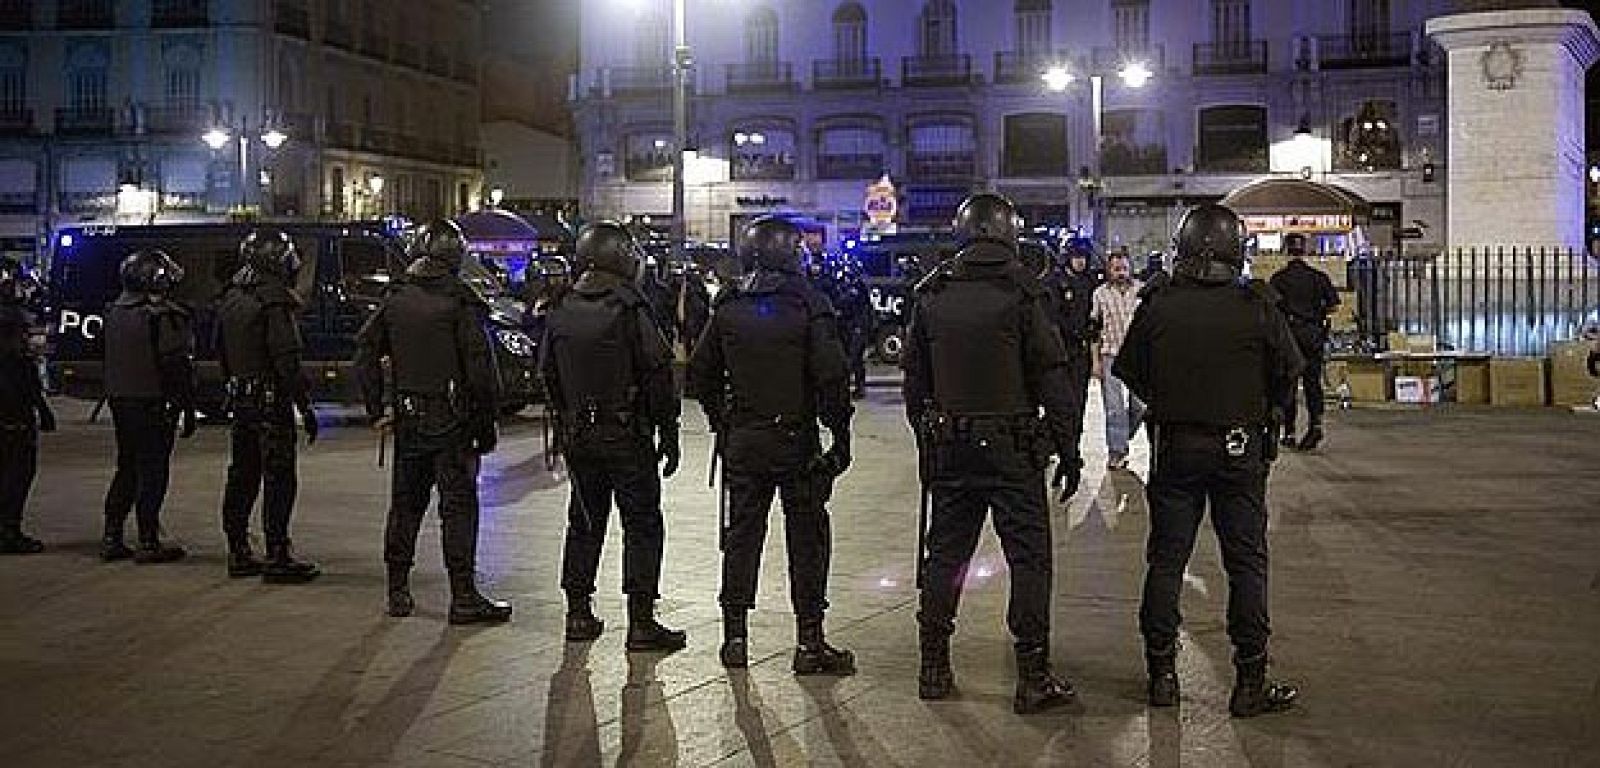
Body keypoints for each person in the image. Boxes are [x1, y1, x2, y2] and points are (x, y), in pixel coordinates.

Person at [1112, 202, 1304, 718]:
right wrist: (1264, 409)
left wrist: (1171, 400)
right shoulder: (1256, 304)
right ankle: (1249, 681)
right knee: (1245, 564)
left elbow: (1129, 369)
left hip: (1176, 447)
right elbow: (1289, 372)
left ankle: (1161, 675)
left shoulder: (1159, 303)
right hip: (1239, 451)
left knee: (1167, 561)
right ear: (1237, 250)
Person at [902, 193, 1081, 715]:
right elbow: (1052, 377)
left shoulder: (931, 293)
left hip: (952, 447)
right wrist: (1067, 450)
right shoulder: (1025, 292)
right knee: (1029, 562)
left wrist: (926, 438)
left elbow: (917, 380)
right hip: (1012, 449)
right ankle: (1032, 677)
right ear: (1008, 233)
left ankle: (933, 666)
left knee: (945, 558)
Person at [688, 215, 856, 676]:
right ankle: (809, 642)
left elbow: (700, 374)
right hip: (795, 441)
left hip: (744, 439)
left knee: (741, 538)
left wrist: (722, 419)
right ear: (787, 253)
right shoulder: (809, 304)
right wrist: (839, 436)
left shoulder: (729, 304)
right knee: (807, 539)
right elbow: (831, 376)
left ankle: (735, 637)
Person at [356, 220, 512, 625]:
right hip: (452, 422)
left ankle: (397, 590)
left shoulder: (395, 299)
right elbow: (479, 369)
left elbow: (365, 353)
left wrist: (377, 409)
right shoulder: (459, 302)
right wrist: (485, 422)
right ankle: (463, 596)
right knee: (457, 508)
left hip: (408, 419)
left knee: (405, 506)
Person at [540, 221, 686, 652]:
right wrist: (668, 428)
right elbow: (657, 372)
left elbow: (546, 370)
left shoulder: (560, 306)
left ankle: (578, 612)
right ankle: (641, 622)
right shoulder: (630, 307)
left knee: (584, 521)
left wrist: (566, 418)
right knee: (641, 523)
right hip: (625, 435)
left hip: (579, 434)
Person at [214, 230, 321, 583]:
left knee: (242, 475)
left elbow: (221, 351)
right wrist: (304, 405)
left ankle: (238, 550)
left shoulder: (231, 298)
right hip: (270, 401)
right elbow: (286, 359)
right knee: (278, 478)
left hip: (242, 398)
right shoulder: (275, 301)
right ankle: (277, 553)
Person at [101, 249, 196, 564]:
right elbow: (175, 364)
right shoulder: (163, 315)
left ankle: (112, 535)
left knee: (126, 467)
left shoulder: (114, 312)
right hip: (153, 402)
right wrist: (184, 403)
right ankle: (148, 539)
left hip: (121, 400)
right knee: (153, 471)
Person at [0, 259, 54, 554]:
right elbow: (23, 371)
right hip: (12, 409)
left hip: (11, 405)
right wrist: (41, 409)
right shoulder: (12, 320)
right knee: (17, 471)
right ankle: (9, 530)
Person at [1269, 233, 1340, 451]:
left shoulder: (1279, 278)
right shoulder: (1319, 277)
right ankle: (1316, 425)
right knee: (1312, 383)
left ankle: (1288, 431)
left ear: (1285, 250)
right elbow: (1334, 305)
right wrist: (1316, 314)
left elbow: (1271, 308)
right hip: (1313, 335)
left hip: (1290, 336)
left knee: (1287, 384)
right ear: (1305, 250)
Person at [1043, 241, 1102, 473]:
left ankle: (1072, 449)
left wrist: (1092, 329)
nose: (1081, 262)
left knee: (1077, 405)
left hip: (1080, 353)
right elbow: (1051, 318)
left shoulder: (1089, 282)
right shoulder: (1053, 283)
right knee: (1057, 405)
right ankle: (1052, 447)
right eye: (1077, 257)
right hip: (1058, 354)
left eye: (1084, 257)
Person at [1091, 250, 1146, 470]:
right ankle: (1117, 451)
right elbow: (1094, 330)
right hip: (1110, 355)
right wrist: (1095, 362)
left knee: (1140, 406)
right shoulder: (1099, 295)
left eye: (1124, 268)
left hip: (1138, 356)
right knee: (1114, 408)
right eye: (1116, 269)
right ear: (1109, 270)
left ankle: (1123, 435)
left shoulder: (1142, 291)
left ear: (1130, 268)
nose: (1121, 272)